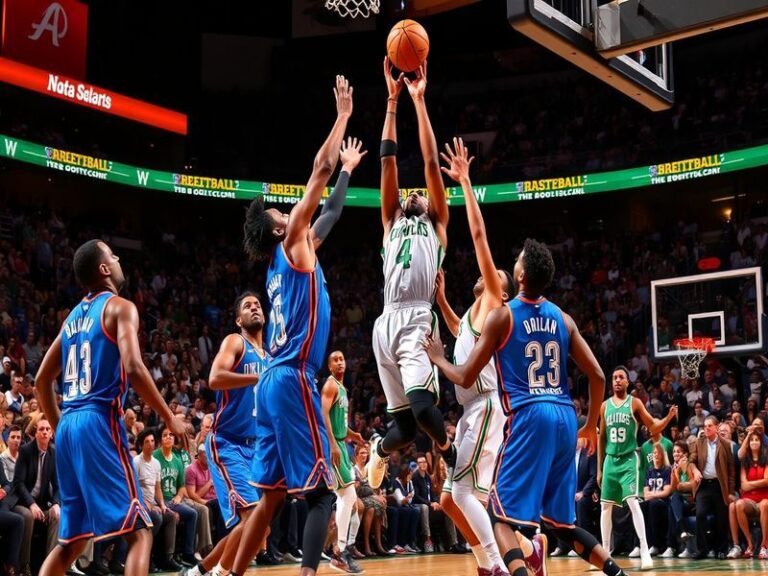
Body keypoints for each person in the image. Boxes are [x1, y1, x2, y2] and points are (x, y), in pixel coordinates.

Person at [426, 239, 624, 576]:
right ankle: (616, 572)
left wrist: (438, 359)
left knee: (499, 519)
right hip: (564, 415)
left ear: (519, 277)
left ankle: (509, 564)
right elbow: (598, 375)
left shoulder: (503, 316)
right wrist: (590, 425)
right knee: (561, 524)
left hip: (526, 416)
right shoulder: (562, 317)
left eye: (516, 260)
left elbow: (462, 376)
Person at [231, 75, 361, 576]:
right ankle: (309, 572)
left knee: (271, 497)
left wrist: (348, 170)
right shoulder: (291, 244)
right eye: (279, 211)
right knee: (323, 496)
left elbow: (331, 211)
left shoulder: (283, 261)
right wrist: (343, 116)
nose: (287, 209)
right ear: (279, 227)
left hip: (272, 383)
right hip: (292, 378)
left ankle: (228, 573)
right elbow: (319, 172)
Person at [33, 239, 187, 576]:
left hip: (70, 423)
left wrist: (61, 427)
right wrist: (169, 417)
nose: (118, 260)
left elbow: (42, 381)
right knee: (140, 532)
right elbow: (133, 366)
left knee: (71, 542)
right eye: (113, 256)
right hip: (98, 419)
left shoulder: (71, 318)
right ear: (104, 269)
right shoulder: (120, 306)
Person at [368, 58, 455, 490]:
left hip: (419, 318)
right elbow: (388, 163)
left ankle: (450, 453)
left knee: (423, 411)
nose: (416, 193)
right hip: (385, 321)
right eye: (412, 192)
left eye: (421, 192)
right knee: (402, 431)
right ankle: (378, 452)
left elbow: (428, 163)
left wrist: (419, 102)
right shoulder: (390, 221)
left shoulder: (436, 222)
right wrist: (391, 100)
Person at [432, 137, 514, 576]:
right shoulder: (472, 313)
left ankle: (497, 565)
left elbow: (479, 234)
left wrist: (465, 182)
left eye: (498, 275)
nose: (492, 272)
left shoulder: (494, 302)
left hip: (483, 406)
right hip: (471, 411)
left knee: (462, 495)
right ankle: (502, 557)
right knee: (448, 499)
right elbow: (459, 332)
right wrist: (444, 302)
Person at [184, 292, 271, 576]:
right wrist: (258, 377)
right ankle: (221, 573)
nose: (254, 307)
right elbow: (215, 378)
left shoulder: (270, 356)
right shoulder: (236, 342)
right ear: (238, 320)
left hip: (256, 448)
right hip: (227, 442)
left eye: (257, 304)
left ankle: (198, 572)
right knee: (252, 518)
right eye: (247, 306)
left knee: (258, 526)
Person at [598, 366, 678, 570]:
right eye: (614, 377)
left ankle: (644, 549)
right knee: (605, 507)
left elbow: (652, 427)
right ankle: (605, 553)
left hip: (628, 460)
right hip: (609, 460)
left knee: (633, 502)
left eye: (621, 377)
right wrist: (599, 469)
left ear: (627, 382)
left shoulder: (635, 403)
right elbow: (601, 439)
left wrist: (668, 419)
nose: (617, 380)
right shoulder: (604, 406)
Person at [320, 350, 365, 574]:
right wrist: (333, 444)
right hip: (334, 449)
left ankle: (345, 548)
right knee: (346, 496)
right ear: (329, 367)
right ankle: (339, 552)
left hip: (341, 445)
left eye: (342, 359)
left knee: (353, 505)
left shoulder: (343, 389)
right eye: (335, 360)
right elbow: (323, 414)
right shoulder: (330, 386)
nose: (340, 362)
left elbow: (338, 424)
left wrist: (352, 435)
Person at [726, 430, 768, 559]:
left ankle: (764, 546)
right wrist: (759, 483)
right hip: (749, 500)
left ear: (761, 443)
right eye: (751, 440)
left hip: (764, 499)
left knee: (765, 504)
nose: (754, 442)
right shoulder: (745, 461)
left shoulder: (766, 458)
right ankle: (749, 544)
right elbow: (744, 486)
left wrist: (751, 484)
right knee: (737, 504)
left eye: (757, 440)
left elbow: (767, 481)